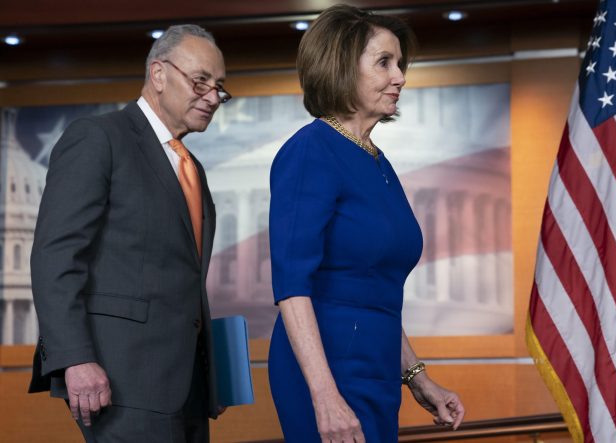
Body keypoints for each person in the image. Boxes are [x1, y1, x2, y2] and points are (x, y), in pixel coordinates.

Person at [268, 5, 466, 442]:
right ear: (340, 67)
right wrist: (324, 396)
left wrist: (417, 377)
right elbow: (291, 287)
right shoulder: (310, 152)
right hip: (327, 370)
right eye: (384, 63)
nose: (400, 77)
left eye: (400, 64)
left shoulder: (377, 161)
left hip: (377, 368)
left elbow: (374, 290)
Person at [28, 24, 230, 442]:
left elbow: (186, 280)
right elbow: (55, 256)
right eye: (200, 82)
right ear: (158, 74)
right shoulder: (98, 138)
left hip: (188, 387)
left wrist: (211, 373)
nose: (212, 97)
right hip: (119, 382)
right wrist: (74, 359)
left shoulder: (192, 166)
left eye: (219, 88)